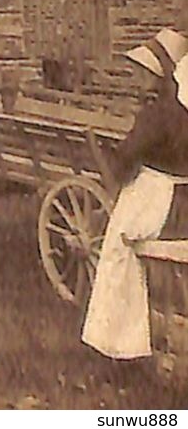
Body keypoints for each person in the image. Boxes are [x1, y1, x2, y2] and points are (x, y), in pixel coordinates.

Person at [83, 27, 188, 360]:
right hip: (177, 200)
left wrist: (109, 159)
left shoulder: (155, 115)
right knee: (120, 250)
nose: (138, 77)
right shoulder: (181, 112)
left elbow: (126, 159)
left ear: (160, 75)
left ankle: (118, 343)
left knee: (116, 253)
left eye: (145, 71)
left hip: (152, 199)